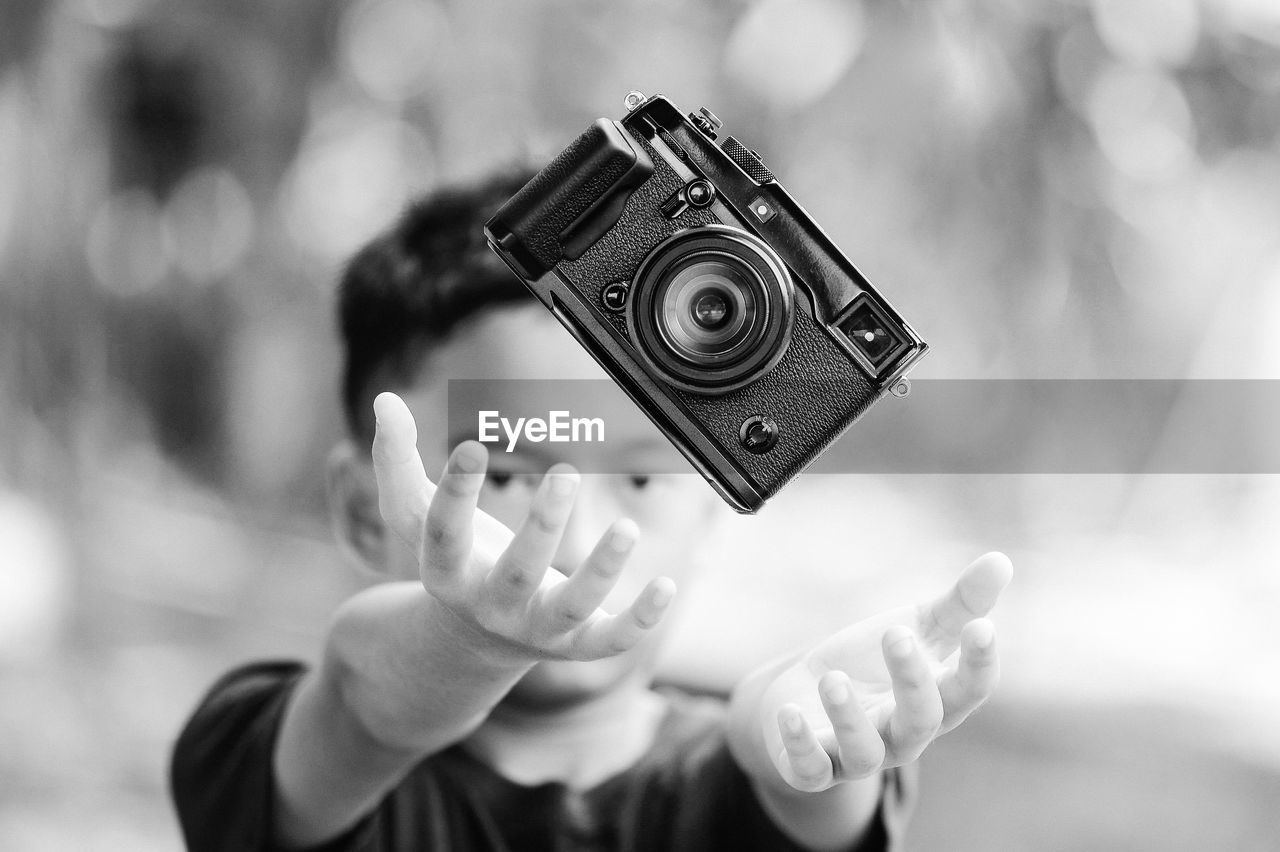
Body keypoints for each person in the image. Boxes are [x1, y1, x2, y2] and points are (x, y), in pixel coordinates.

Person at [170, 170, 1013, 851]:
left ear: (717, 512)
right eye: (504, 471)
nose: (573, 534)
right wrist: (469, 635)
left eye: (643, 482)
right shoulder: (267, 751)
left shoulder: (741, 788)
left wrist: (784, 722)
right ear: (364, 509)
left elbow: (802, 790)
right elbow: (364, 697)